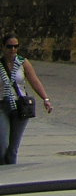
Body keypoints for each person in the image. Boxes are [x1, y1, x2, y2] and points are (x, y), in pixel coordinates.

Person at [2, 34, 53, 165]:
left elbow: (34, 81)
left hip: (20, 105)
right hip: (2, 105)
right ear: (3, 47)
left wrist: (45, 98)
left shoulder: (22, 62)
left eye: (16, 46)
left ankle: (12, 176)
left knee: (13, 148)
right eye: (9, 46)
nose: (13, 49)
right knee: (2, 146)